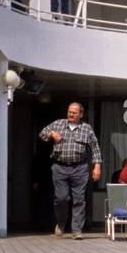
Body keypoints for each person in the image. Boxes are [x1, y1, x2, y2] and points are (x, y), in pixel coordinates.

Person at [39, 102, 102, 238]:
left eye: (74, 112)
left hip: (80, 168)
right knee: (61, 198)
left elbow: (95, 147)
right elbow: (42, 134)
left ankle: (76, 230)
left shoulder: (87, 129)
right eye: (69, 112)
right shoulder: (58, 124)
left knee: (79, 199)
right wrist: (51, 134)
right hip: (59, 167)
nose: (71, 114)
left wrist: (97, 166)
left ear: (81, 114)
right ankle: (61, 224)